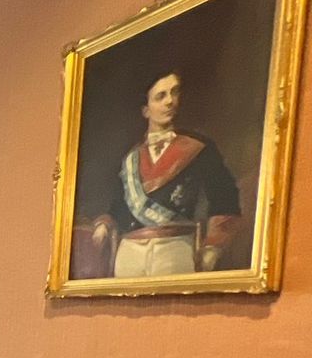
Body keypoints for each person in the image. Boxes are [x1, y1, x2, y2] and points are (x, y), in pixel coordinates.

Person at [89, 71, 244, 279]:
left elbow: (224, 197)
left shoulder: (198, 148)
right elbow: (118, 207)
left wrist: (213, 246)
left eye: (174, 93)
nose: (170, 101)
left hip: (175, 248)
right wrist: (104, 224)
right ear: (146, 110)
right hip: (130, 250)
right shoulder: (130, 159)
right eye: (160, 96)